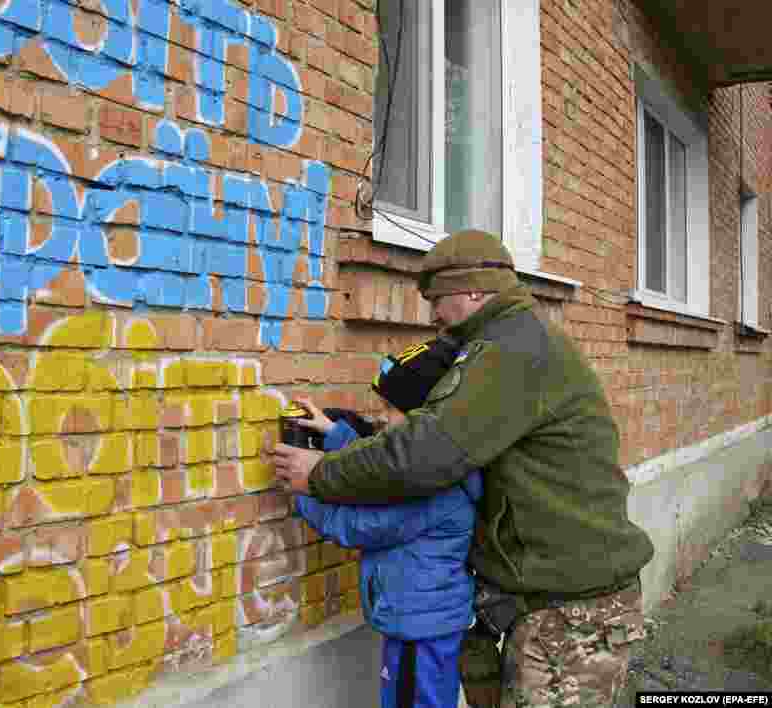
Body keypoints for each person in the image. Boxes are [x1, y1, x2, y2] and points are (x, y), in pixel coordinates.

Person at [272, 230, 655, 708]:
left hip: (570, 610)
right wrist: (338, 436)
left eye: (437, 298)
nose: (433, 314)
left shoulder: (510, 350)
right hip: (552, 599)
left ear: (473, 290)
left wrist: (319, 475)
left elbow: (425, 452)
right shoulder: (509, 341)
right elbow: (428, 441)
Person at [290, 337, 482, 708]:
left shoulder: (434, 485)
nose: (383, 417)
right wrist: (335, 435)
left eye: (392, 408)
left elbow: (359, 526)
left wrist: (303, 491)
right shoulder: (430, 464)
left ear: (426, 418)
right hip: (420, 620)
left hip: (420, 630)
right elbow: (381, 467)